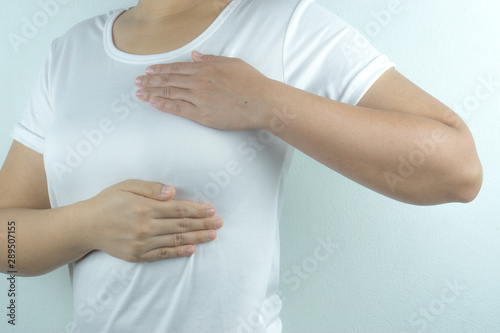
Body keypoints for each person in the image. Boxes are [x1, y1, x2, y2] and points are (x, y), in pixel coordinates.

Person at [0, 0, 482, 332]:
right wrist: (86, 225)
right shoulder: (68, 51)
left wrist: (265, 102)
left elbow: (457, 168)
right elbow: (7, 241)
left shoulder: (287, 25)